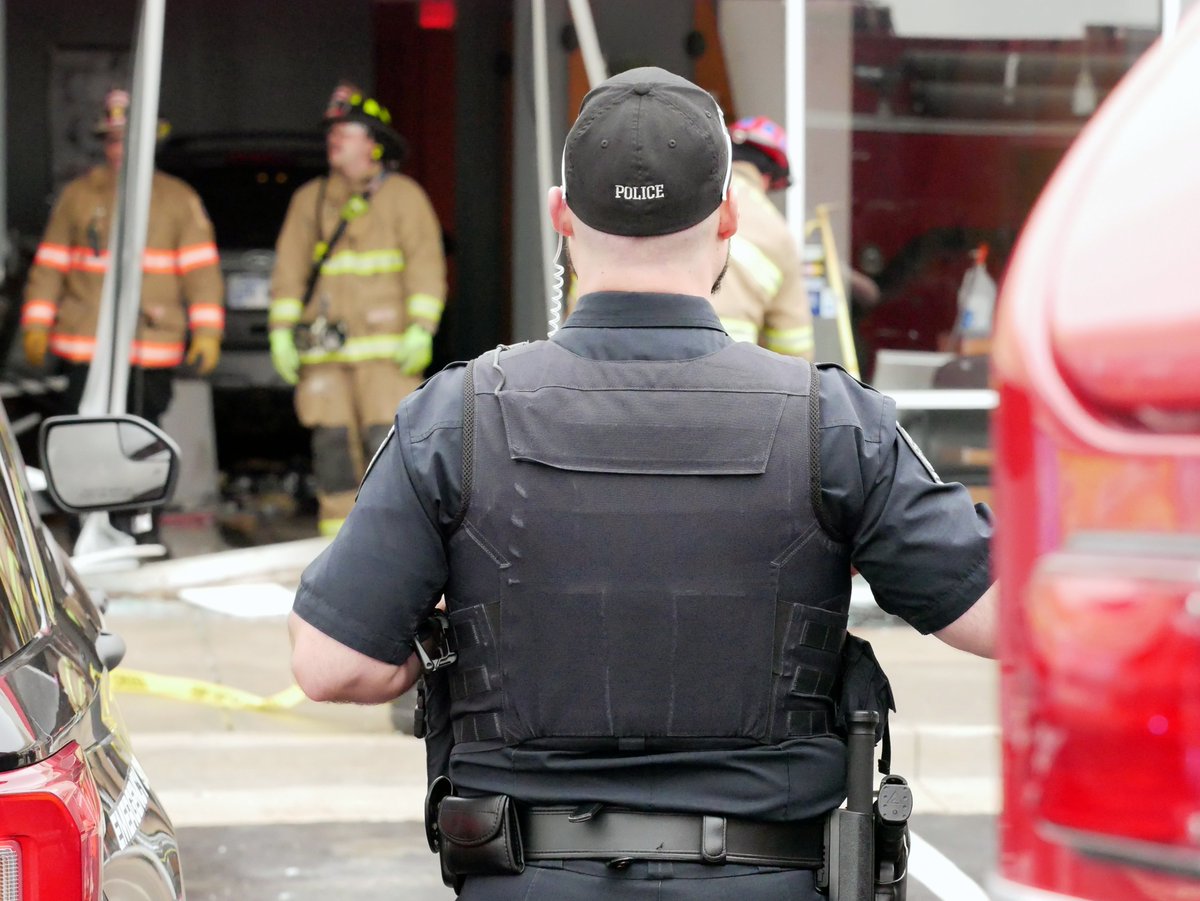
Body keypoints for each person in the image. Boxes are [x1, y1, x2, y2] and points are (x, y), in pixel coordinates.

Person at [289, 68, 996, 900]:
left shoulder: (459, 418)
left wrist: (442, 646)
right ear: (730, 217)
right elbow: (1007, 618)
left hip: (527, 879)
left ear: (562, 217)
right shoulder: (832, 423)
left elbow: (330, 665)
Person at [268, 83, 447, 536]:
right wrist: (280, 330)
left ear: (373, 142)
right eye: (331, 131)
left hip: (386, 357)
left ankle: (389, 542)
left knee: (385, 445)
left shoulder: (405, 198)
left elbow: (426, 265)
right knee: (330, 450)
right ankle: (335, 544)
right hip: (325, 355)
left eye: (344, 130)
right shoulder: (309, 201)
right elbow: (289, 270)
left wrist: (421, 328)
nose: (333, 138)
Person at [21, 88, 225, 423]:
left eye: (126, 139)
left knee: (140, 438)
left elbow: (201, 274)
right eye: (111, 140)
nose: (118, 149)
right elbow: (50, 266)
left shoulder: (178, 199)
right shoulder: (79, 195)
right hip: (87, 344)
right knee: (81, 433)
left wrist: (207, 333)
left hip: (150, 345)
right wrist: (37, 323)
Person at [710, 115, 814, 360]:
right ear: (769, 178)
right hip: (732, 372)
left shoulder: (682, 194)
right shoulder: (777, 232)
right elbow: (793, 347)